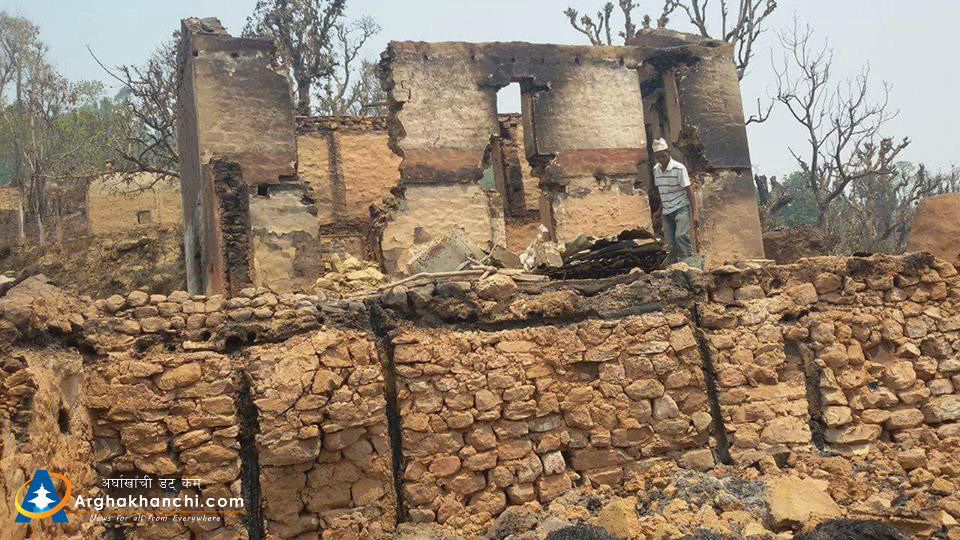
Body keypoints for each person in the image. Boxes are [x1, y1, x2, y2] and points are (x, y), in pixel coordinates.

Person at [651, 137, 700, 267]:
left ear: (668, 152)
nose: (661, 159)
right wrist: (659, 211)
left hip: (681, 207)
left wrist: (694, 213)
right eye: (658, 157)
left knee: (681, 236)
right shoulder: (656, 170)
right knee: (670, 244)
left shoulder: (679, 168)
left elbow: (689, 191)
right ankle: (672, 270)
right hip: (666, 211)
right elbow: (662, 192)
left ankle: (692, 267)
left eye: (663, 156)